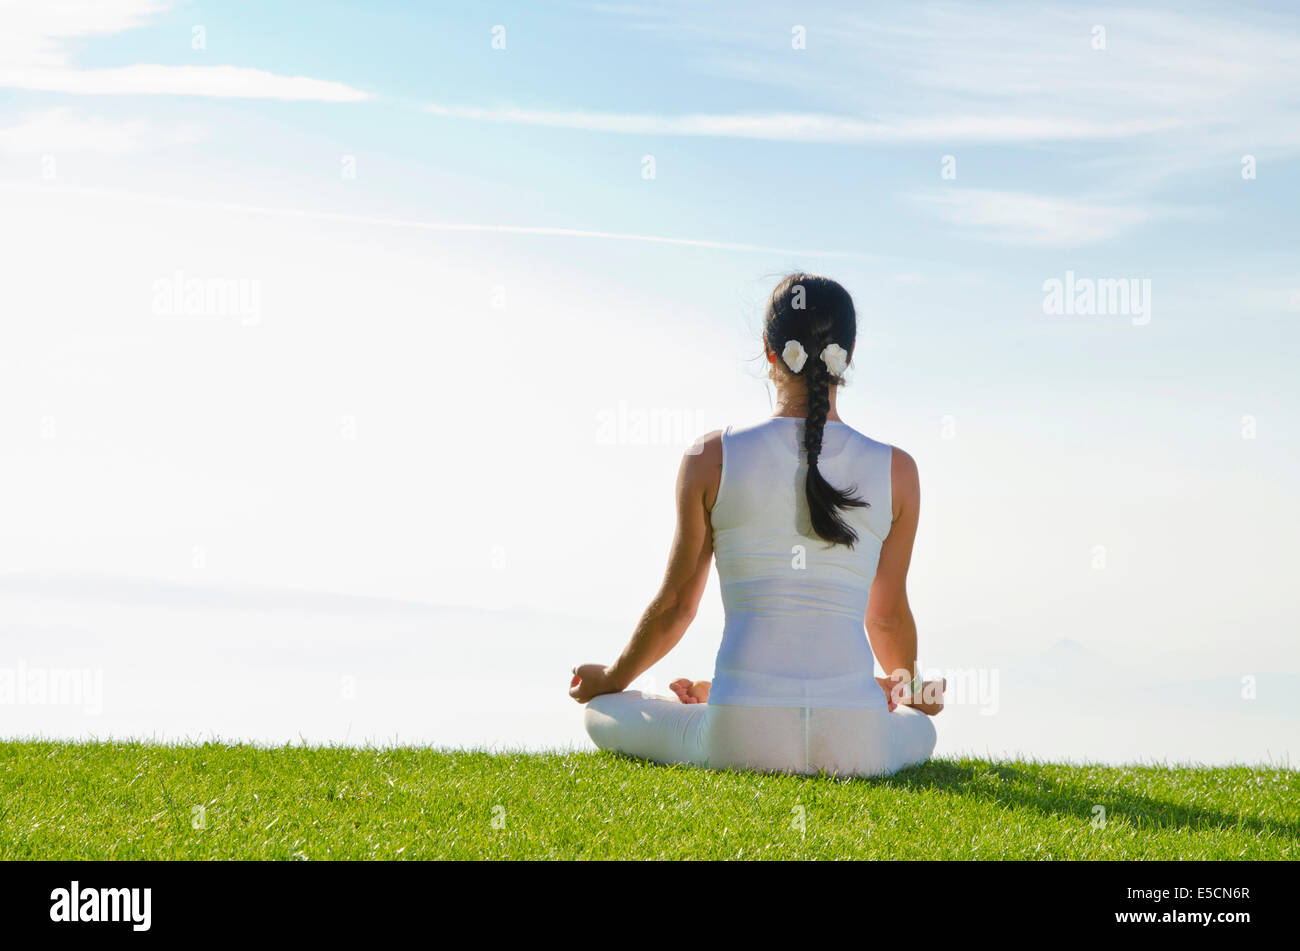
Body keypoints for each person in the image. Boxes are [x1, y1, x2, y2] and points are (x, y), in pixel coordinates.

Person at [570, 273, 942, 778]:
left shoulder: (710, 456)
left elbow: (678, 607)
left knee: (602, 712)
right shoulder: (899, 470)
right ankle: (880, 696)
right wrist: (909, 688)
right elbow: (887, 617)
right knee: (921, 724)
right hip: (857, 741)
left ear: (769, 351)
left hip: (739, 733)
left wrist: (610, 678)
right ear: (848, 356)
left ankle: (706, 698)